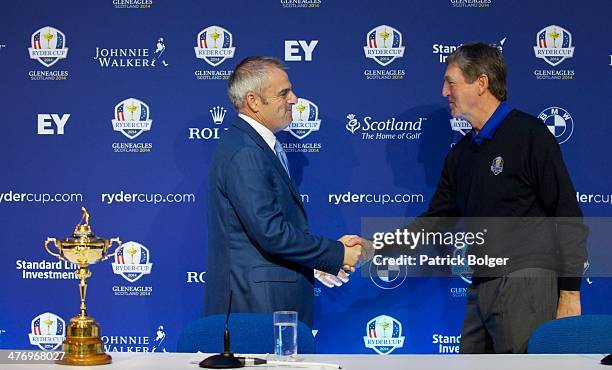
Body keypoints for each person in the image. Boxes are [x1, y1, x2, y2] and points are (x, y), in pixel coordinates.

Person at [341, 42, 588, 353]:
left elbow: (567, 215)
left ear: (481, 83)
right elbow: (435, 221)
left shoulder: (530, 135)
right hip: (481, 285)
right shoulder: (460, 155)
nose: (444, 91)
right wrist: (374, 247)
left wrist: (569, 292)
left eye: (451, 82)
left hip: (525, 282)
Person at [204, 56, 365, 327]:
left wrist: (315, 262)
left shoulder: (255, 146)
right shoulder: (246, 152)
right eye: (284, 93)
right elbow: (271, 233)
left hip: (265, 299)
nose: (294, 99)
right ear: (254, 101)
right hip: (257, 305)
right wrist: (336, 253)